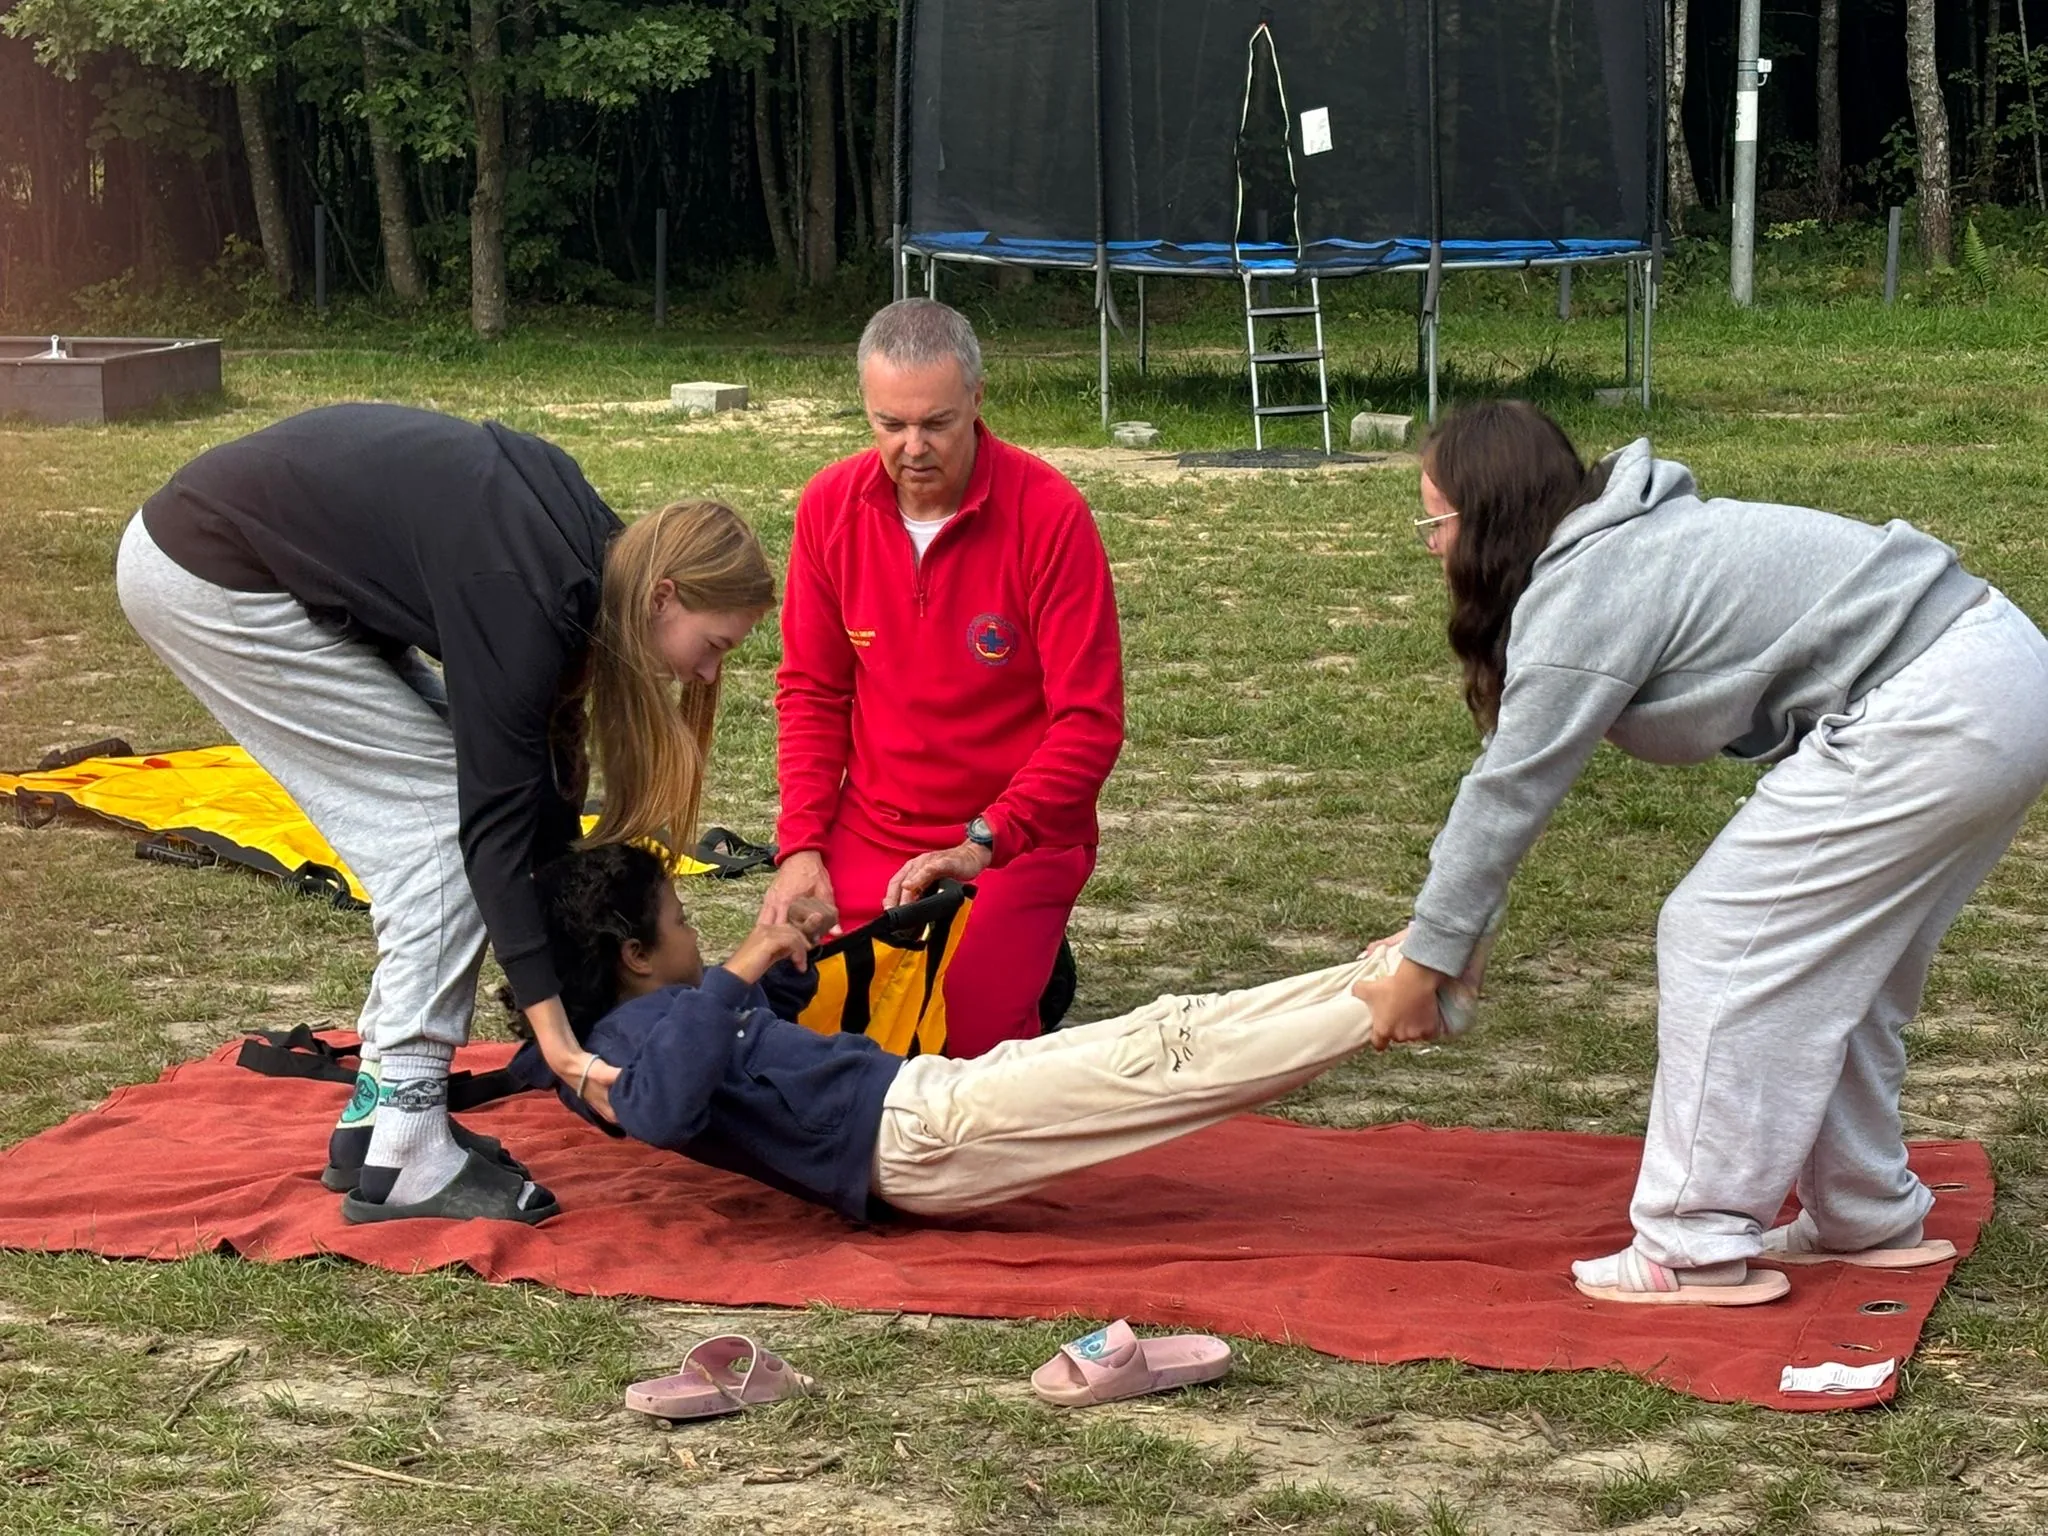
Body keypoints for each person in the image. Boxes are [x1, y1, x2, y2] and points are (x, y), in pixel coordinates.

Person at [1353, 400, 2048, 1305]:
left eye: (1435, 523)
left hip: (1939, 704)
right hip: (2004, 672)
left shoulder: (1585, 592)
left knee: (1718, 936)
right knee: (1842, 967)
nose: (1431, 548)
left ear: (1485, 518)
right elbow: (1513, 784)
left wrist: (1427, 962)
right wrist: (1445, 942)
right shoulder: (1618, 548)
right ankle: (1863, 1211)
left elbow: (1506, 795)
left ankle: (1691, 1246)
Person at [117, 403, 775, 1225]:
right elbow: (490, 838)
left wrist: (572, 981)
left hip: (276, 565)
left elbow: (535, 795)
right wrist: (559, 1042)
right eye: (714, 646)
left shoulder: (597, 566)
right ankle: (409, 1153)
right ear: (665, 596)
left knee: (459, 811)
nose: (709, 676)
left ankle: (375, 1117)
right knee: (439, 829)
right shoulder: (527, 596)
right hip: (211, 571)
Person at [512, 843, 1425, 1220]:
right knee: (1159, 1066)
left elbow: (750, 1043)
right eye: (679, 920)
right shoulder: (615, 1050)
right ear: (635, 954)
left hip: (924, 1104)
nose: (696, 935)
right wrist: (738, 971)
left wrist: (790, 954)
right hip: (912, 1140)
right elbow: (662, 1108)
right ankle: (1380, 1010)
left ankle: (1384, 972)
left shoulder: (673, 1014)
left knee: (1162, 1028)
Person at [760, 299, 1124, 1057]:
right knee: (796, 1021)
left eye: (937, 423)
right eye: (890, 424)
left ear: (978, 399)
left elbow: (1089, 722)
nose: (913, 447)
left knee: (956, 1049)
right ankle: (1023, 961)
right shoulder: (828, 506)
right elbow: (811, 693)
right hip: (873, 828)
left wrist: (987, 840)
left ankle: (1019, 952)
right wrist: (800, 848)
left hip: (1011, 839)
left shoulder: (1050, 514)